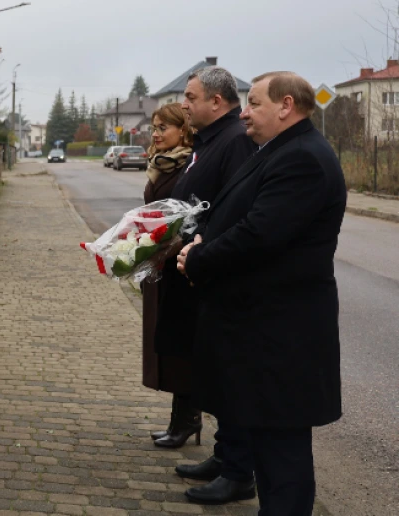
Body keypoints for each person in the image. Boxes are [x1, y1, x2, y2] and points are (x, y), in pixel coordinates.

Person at [177, 71, 346, 516]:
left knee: (282, 455)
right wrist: (202, 241)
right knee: (270, 447)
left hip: (282, 335)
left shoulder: (303, 159)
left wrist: (200, 258)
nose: (244, 112)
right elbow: (239, 215)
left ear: (286, 105)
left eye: (252, 103)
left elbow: (259, 235)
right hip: (264, 332)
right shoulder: (279, 150)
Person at [153, 67, 258, 505]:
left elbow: (233, 209)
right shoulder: (213, 139)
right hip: (194, 266)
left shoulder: (233, 141)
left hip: (210, 271)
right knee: (211, 370)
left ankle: (238, 469)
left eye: (191, 97)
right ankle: (224, 456)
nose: (187, 103)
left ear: (217, 101)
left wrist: (196, 244)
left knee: (227, 376)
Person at [140, 103, 195, 441]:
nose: (157, 134)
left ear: (183, 130)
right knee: (168, 343)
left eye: (164, 128)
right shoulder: (160, 164)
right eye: (154, 128)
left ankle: (186, 420)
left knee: (180, 346)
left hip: (179, 263)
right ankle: (181, 419)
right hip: (159, 263)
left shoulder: (188, 165)